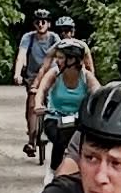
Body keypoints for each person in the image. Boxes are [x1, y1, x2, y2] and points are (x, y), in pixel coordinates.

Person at [36, 38, 96, 166]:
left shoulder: (86, 76)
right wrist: (38, 104)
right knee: (59, 138)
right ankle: (53, 171)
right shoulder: (55, 73)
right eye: (57, 57)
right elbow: (42, 89)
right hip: (54, 116)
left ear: (72, 59)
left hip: (78, 119)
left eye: (61, 57)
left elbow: (99, 92)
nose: (57, 61)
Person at [12, 9, 57, 156]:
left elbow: (61, 56)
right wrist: (17, 73)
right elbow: (21, 55)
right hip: (32, 77)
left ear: (49, 24)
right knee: (32, 105)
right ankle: (31, 141)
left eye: (44, 21)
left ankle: (52, 130)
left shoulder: (54, 39)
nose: (41, 24)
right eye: (38, 21)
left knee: (54, 103)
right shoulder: (28, 38)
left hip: (51, 75)